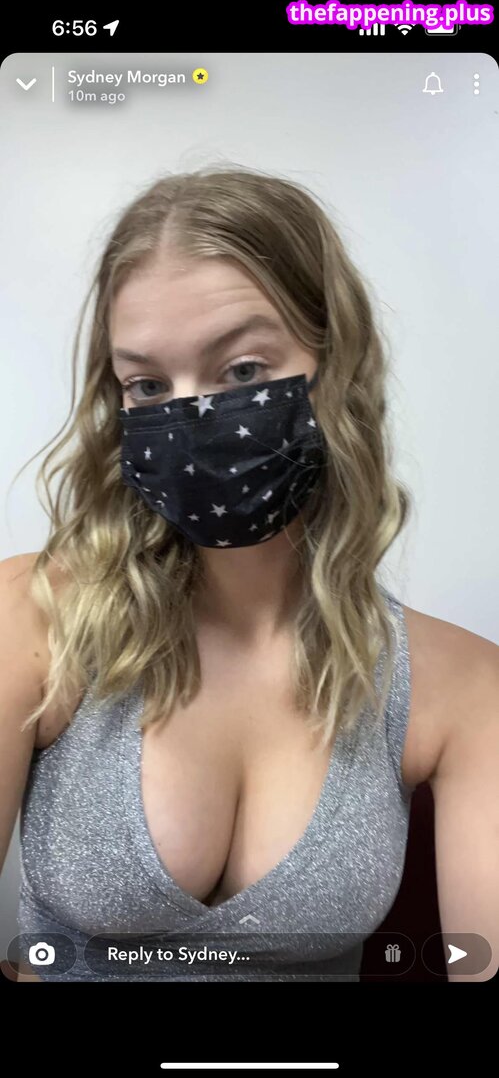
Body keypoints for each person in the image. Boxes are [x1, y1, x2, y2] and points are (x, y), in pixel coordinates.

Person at [1, 167, 497, 983]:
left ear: (337, 364)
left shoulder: (462, 686)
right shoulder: (32, 620)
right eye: (148, 385)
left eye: (241, 371)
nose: (189, 416)